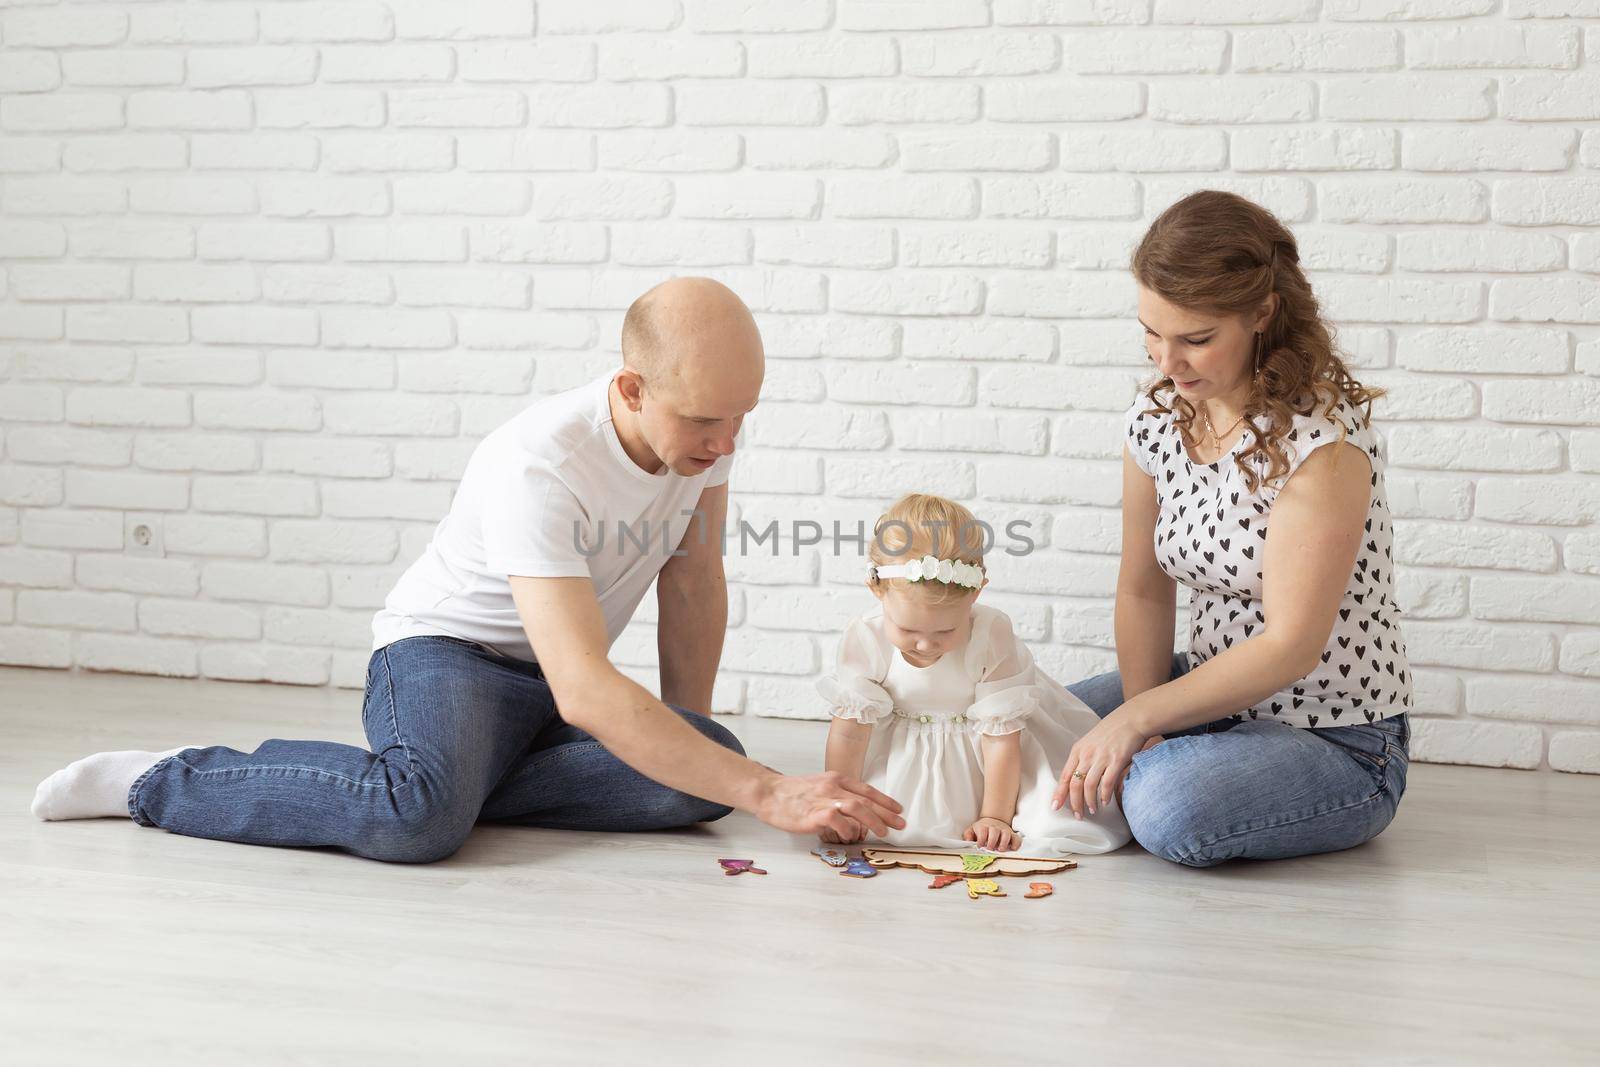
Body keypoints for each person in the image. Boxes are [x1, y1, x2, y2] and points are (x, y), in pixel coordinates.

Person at [31, 276, 905, 860]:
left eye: (741, 419)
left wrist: (690, 740)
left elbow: (691, 583)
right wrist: (766, 792)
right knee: (419, 820)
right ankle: (162, 779)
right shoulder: (543, 462)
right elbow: (586, 689)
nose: (725, 445)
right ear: (632, 389)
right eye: (707, 421)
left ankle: (458, 774)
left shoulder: (701, 444)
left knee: (705, 763)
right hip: (442, 657)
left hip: (552, 685)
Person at [1059, 190, 1413, 868]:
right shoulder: (1157, 419)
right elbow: (1142, 588)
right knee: (1029, 723)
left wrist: (1137, 724)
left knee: (1166, 806)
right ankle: (1162, 765)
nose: (1168, 362)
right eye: (1151, 333)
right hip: (1209, 693)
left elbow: (1289, 645)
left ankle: (1166, 780)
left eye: (1195, 339)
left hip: (1338, 737)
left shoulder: (1323, 441)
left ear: (1261, 312)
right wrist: (1147, 717)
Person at [817, 493, 1132, 857]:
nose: (924, 645)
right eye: (908, 631)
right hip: (902, 753)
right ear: (876, 589)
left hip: (989, 753)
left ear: (977, 592)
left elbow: (1000, 739)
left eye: (945, 633)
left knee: (1048, 818)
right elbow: (850, 734)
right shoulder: (866, 636)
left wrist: (995, 817)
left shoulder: (990, 634)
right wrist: (839, 802)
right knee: (886, 814)